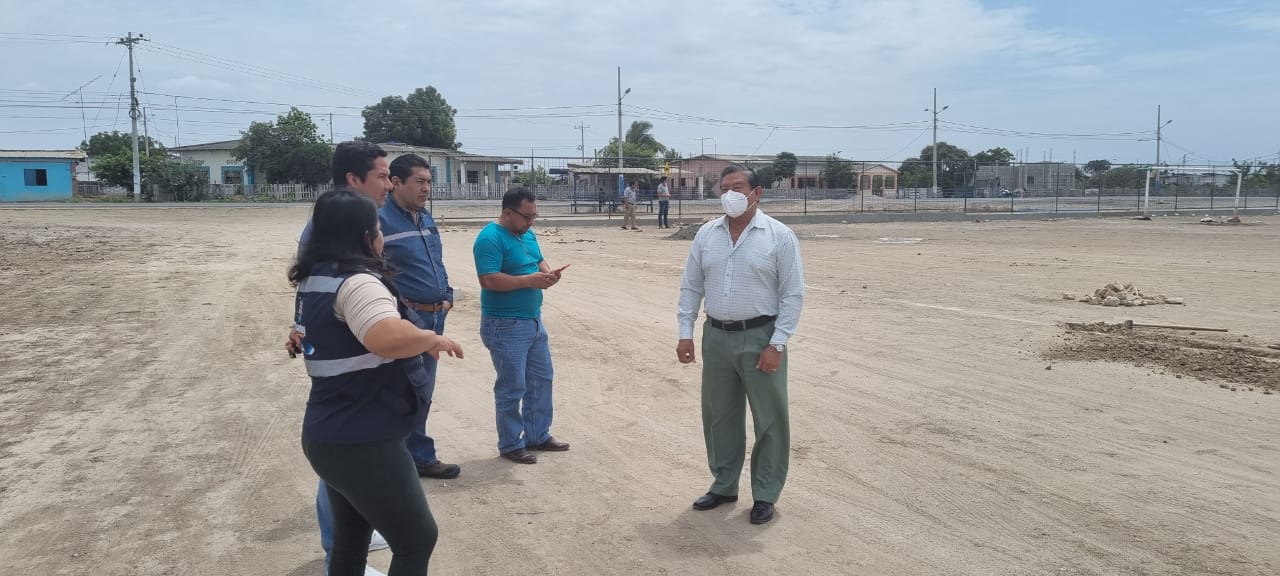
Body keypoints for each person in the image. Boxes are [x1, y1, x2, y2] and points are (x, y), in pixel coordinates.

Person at [291, 188, 464, 576]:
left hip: (330, 434)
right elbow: (384, 336)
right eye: (378, 229)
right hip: (364, 439)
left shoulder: (315, 279)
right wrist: (431, 338)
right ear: (366, 236)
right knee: (416, 539)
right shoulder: (358, 283)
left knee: (351, 541)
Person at [675, 165, 805, 526]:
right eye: (724, 188)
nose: (730, 194)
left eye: (738, 187)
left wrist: (777, 343)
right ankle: (724, 484)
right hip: (716, 337)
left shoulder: (779, 236)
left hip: (761, 337)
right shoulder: (707, 234)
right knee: (719, 415)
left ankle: (765, 493)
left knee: (770, 418)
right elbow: (691, 285)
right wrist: (685, 332)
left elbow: (792, 294)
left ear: (756, 193)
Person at [289, 141, 396, 575]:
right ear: (354, 179)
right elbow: (313, 288)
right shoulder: (329, 226)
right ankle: (340, 551)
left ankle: (354, 535)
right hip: (347, 363)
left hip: (362, 357)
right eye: (382, 176)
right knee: (342, 454)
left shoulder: (354, 219)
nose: (388, 184)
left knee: (358, 450)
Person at [472, 187, 571, 464]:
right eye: (527, 216)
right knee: (512, 386)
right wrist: (529, 281)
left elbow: (539, 260)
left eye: (534, 216)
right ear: (507, 212)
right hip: (504, 324)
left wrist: (548, 274)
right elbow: (488, 280)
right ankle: (510, 444)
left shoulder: (526, 233)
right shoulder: (489, 238)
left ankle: (537, 434)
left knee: (541, 379)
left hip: (532, 320)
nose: (531, 221)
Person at [381, 153, 460, 480]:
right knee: (403, 392)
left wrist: (447, 296)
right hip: (406, 321)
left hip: (435, 318)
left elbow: (436, 261)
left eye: (429, 182)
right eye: (419, 182)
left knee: (421, 391)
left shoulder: (425, 218)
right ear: (395, 182)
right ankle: (405, 460)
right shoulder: (380, 220)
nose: (427, 188)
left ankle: (414, 457)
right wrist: (403, 311)